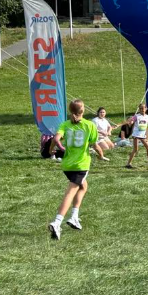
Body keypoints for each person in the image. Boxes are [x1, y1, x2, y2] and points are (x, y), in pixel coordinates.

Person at [48, 99, 103, 240]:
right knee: (70, 192)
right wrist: (101, 155)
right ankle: (57, 222)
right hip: (81, 165)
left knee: (84, 186)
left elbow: (56, 138)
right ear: (82, 111)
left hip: (67, 165)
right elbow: (95, 145)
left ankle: (74, 216)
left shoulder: (65, 124)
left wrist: (50, 150)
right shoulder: (89, 125)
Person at [125, 103, 148, 168]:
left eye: (143, 108)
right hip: (136, 135)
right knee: (135, 150)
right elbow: (131, 122)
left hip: (143, 136)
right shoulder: (136, 116)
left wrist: (147, 137)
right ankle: (128, 164)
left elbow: (147, 127)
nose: (141, 109)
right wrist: (131, 122)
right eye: (140, 108)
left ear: (146, 109)